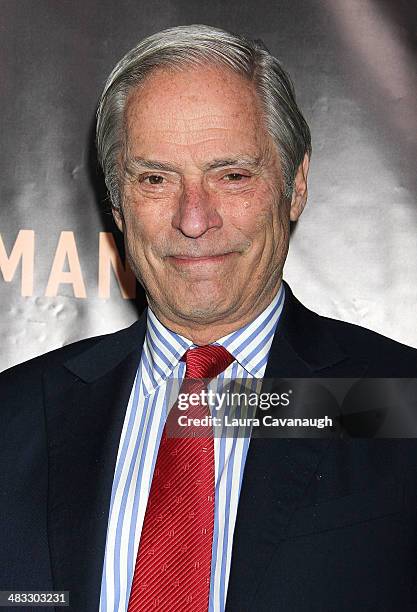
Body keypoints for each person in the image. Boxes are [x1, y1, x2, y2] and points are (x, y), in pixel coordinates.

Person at [1, 24, 417, 612]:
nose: (194, 219)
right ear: (117, 203)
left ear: (295, 186)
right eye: (155, 179)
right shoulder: (15, 418)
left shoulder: (395, 399)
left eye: (232, 175)